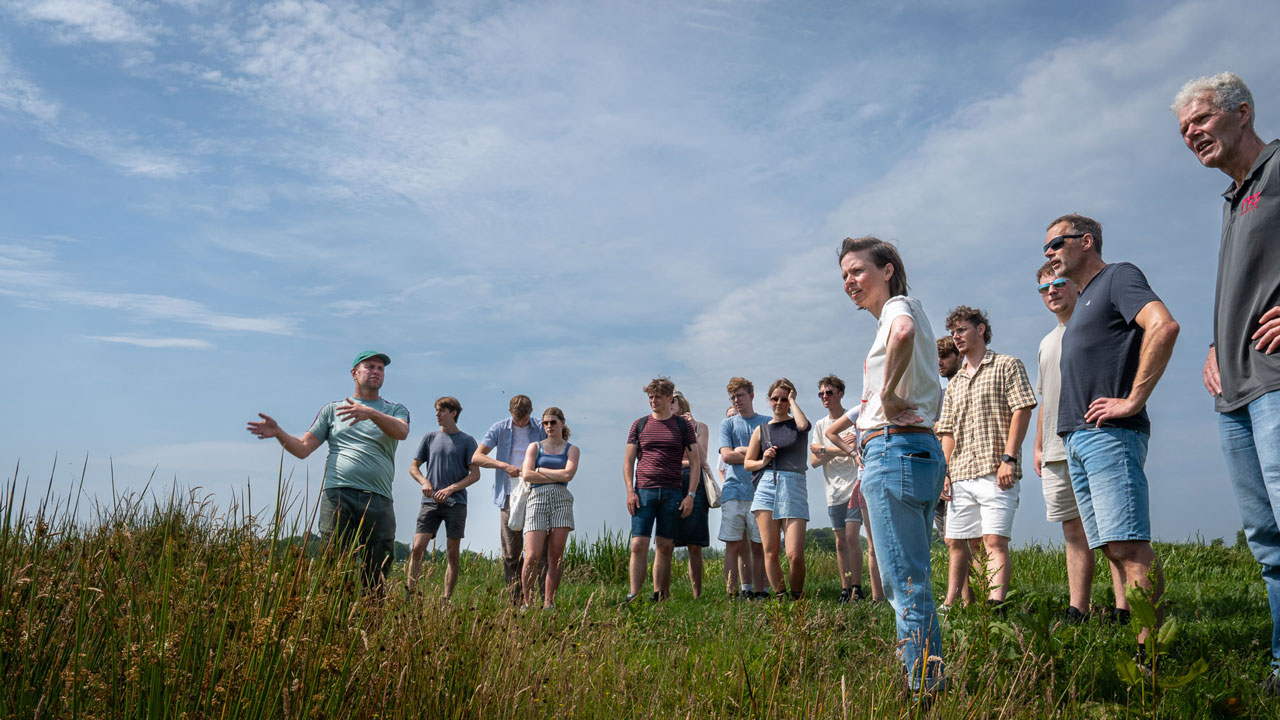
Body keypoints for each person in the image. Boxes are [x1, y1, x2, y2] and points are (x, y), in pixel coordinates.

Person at [1174, 72, 1280, 692]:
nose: (1191, 134)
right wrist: (1218, 340)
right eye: (1184, 128)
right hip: (1234, 392)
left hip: (1274, 380)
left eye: (1202, 119)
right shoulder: (1233, 196)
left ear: (1242, 113)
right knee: (1267, 540)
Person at [1043, 213, 1180, 648]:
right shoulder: (1083, 298)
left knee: (1129, 546)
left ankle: (1151, 651)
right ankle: (1142, 641)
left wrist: (1133, 400)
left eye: (1056, 243)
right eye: (1045, 247)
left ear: (1086, 242)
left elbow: (1164, 325)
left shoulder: (1119, 276)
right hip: (1079, 437)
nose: (1049, 253)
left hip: (1110, 435)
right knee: (1110, 547)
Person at [826, 236, 946, 694]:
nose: (849, 282)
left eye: (857, 271)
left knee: (906, 583)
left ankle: (923, 691)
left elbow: (902, 334)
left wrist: (890, 394)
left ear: (888, 270)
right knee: (914, 577)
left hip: (895, 451)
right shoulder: (903, 310)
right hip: (913, 451)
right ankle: (928, 678)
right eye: (844, 276)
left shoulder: (899, 307)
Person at [246, 351, 409, 593]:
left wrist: (371, 413)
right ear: (354, 373)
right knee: (333, 563)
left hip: (379, 498)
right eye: (370, 367)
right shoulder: (332, 410)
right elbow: (303, 449)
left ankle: (371, 622)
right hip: (338, 496)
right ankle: (333, 621)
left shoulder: (394, 409)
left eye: (381, 369)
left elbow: (402, 432)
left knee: (377, 566)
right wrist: (279, 432)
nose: (376, 371)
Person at [1033, 262, 1125, 622]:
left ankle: (1124, 607)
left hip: (1095, 437)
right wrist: (1039, 445)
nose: (1052, 291)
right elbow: (1046, 398)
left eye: (1059, 283)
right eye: (1044, 288)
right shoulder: (1045, 343)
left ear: (1075, 285)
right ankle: (1079, 608)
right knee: (1073, 531)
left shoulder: (1095, 326)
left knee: (1114, 531)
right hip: (1056, 448)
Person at [937, 306, 1036, 608]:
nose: (956, 337)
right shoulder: (954, 383)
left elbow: (1022, 408)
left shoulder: (1007, 365)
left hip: (996, 469)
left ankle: (996, 607)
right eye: (953, 332)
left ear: (980, 329)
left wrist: (1010, 458)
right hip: (962, 473)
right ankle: (958, 603)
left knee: (994, 541)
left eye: (962, 329)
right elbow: (948, 432)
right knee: (958, 542)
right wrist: (944, 472)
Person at [623, 377, 700, 602]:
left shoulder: (682, 425)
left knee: (665, 546)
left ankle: (658, 596)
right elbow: (628, 462)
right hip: (644, 490)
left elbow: (695, 462)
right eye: (650, 397)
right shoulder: (640, 424)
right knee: (638, 544)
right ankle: (634, 595)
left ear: (669, 398)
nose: (653, 401)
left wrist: (691, 495)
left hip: (672, 491)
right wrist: (630, 491)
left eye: (657, 397)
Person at [809, 374, 882, 602]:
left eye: (829, 392)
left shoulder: (852, 419)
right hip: (833, 489)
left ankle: (858, 588)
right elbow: (813, 460)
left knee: (852, 537)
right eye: (821, 393)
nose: (824, 397)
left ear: (840, 393)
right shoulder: (821, 425)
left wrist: (824, 449)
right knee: (840, 541)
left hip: (854, 484)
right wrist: (838, 450)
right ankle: (845, 587)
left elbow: (854, 450)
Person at [472, 395, 548, 604]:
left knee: (539, 552)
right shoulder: (499, 428)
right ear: (510, 413)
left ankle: (542, 600)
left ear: (531, 413)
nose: (521, 422)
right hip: (508, 494)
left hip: (536, 491)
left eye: (525, 419)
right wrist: (503, 466)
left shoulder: (541, 427)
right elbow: (477, 457)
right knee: (511, 552)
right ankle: (514, 601)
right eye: (517, 418)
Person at [407, 396, 479, 600]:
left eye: (441, 411)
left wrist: (450, 489)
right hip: (429, 503)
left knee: (452, 553)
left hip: (456, 504)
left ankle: (446, 599)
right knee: (417, 548)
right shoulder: (429, 438)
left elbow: (475, 474)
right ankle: (410, 596)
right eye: (436, 411)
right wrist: (424, 482)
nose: (437, 414)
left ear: (453, 413)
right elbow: (414, 467)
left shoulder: (467, 441)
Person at [744, 379, 811, 598]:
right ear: (769, 400)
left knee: (794, 554)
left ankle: (797, 596)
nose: (779, 403)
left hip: (793, 485)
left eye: (784, 399)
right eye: (775, 398)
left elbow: (803, 426)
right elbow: (748, 464)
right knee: (770, 551)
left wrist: (793, 400)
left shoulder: (796, 424)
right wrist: (763, 460)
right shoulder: (761, 430)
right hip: (767, 485)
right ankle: (781, 597)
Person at [519, 406, 579, 609]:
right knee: (532, 554)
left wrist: (541, 470)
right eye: (545, 423)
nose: (549, 426)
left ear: (562, 422)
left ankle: (549, 602)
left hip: (562, 498)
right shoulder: (535, 447)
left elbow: (568, 475)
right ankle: (527, 602)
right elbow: (526, 474)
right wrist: (556, 473)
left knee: (555, 555)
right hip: (537, 498)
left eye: (553, 422)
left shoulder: (572, 449)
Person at [719, 378, 770, 599]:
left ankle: (762, 591)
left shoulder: (767, 423)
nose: (736, 400)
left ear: (751, 395)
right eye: (733, 397)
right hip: (733, 491)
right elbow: (727, 456)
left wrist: (742, 450)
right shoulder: (727, 424)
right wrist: (754, 452)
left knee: (760, 546)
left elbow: (771, 455)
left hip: (761, 492)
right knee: (734, 546)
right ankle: (732, 593)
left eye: (740, 395)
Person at [671, 391, 712, 598]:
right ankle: (662, 592)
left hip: (694, 484)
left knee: (695, 544)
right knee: (666, 541)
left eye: (673, 399)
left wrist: (690, 431)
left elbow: (702, 458)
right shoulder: (663, 428)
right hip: (671, 483)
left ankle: (697, 595)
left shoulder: (699, 427)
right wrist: (688, 462)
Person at [933, 336, 961, 545]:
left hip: (961, 472)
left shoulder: (965, 389)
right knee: (949, 540)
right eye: (936, 358)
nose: (939, 362)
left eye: (944, 356)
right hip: (937, 474)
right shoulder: (940, 395)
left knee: (969, 538)